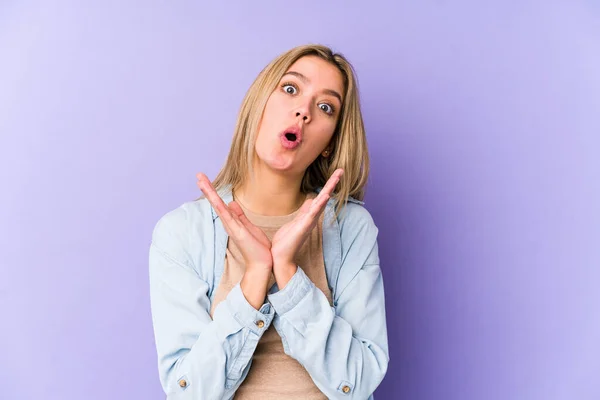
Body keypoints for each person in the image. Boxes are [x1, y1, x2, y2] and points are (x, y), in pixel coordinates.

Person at [149, 44, 389, 399]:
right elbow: (188, 393)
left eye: (326, 107)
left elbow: (359, 379)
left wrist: (288, 275)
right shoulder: (181, 232)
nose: (303, 111)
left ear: (329, 143)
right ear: (259, 103)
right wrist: (255, 277)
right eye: (291, 88)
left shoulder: (350, 227)